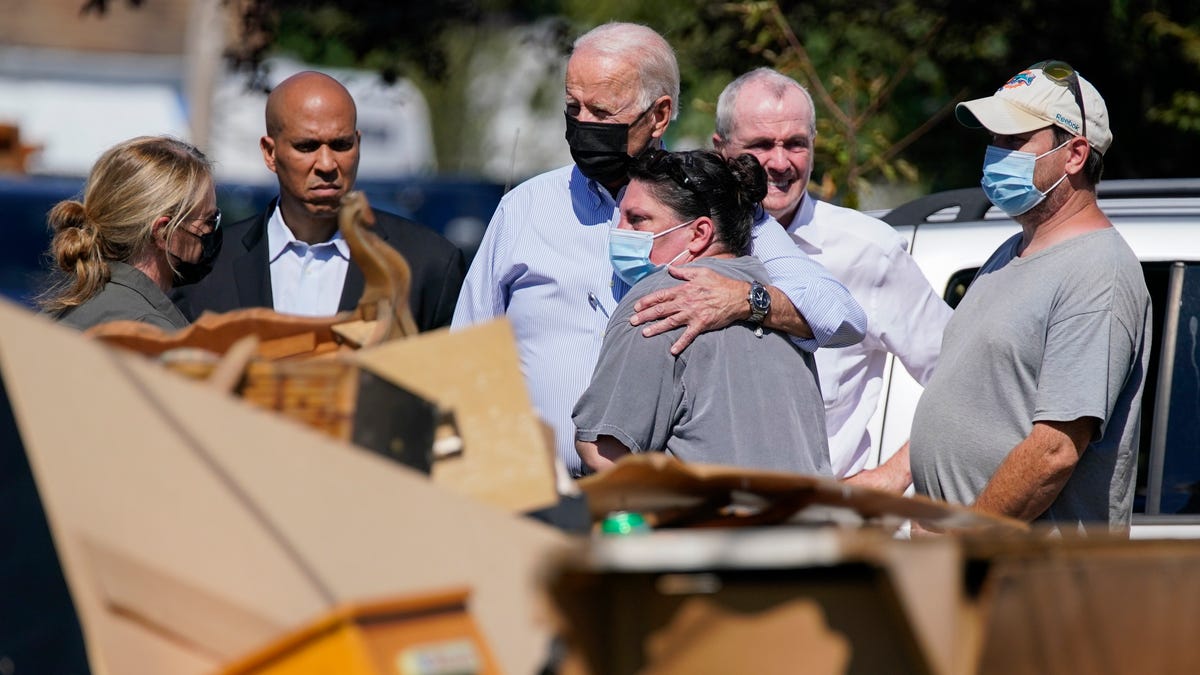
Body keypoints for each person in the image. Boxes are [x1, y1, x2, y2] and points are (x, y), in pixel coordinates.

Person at [453, 22, 865, 477]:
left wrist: (744, 300)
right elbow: (466, 356)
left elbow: (841, 315)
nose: (584, 124)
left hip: (667, 511)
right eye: (574, 107)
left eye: (604, 112)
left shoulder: (712, 198)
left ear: (659, 114)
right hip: (542, 500)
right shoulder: (524, 209)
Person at [909, 61, 1152, 532]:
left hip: (1034, 584)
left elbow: (1055, 451)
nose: (995, 154)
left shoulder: (1098, 270)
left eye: (1014, 141)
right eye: (994, 140)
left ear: (1076, 154)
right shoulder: (1010, 251)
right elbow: (974, 401)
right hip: (978, 574)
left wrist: (960, 543)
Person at [712, 68, 953, 491]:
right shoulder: (687, 242)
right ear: (721, 150)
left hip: (829, 525)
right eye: (761, 145)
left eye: (795, 144)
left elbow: (966, 378)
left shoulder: (868, 251)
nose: (780, 162)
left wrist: (890, 477)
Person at [574, 149, 830, 475]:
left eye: (637, 220)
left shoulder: (661, 301)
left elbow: (607, 452)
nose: (620, 231)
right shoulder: (778, 303)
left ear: (699, 234)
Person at [174, 71, 464, 329]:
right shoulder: (206, 266)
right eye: (307, 146)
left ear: (358, 144)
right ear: (269, 153)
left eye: (341, 145)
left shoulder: (427, 263)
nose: (327, 164)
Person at [38, 135, 219, 331]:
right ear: (163, 233)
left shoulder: (52, 317)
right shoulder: (152, 334)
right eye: (209, 220)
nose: (212, 231)